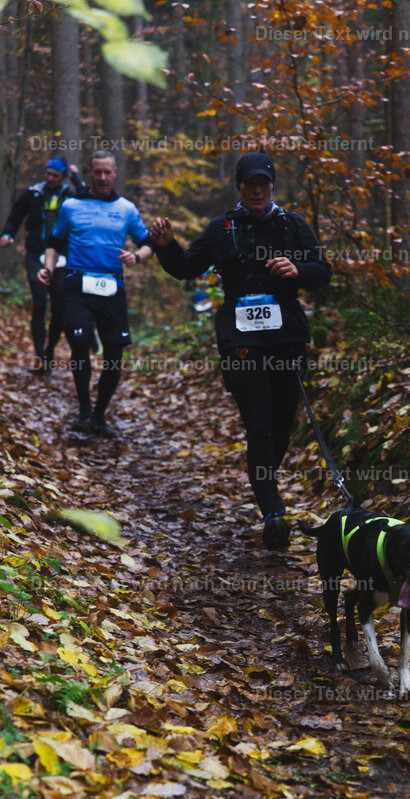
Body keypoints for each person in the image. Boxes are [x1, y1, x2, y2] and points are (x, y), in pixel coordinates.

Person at [149, 152, 331, 549]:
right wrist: (165, 246)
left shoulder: (292, 225)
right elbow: (186, 267)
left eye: (264, 183)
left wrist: (298, 270)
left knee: (281, 425)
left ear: (272, 186)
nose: (258, 190)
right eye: (251, 184)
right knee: (259, 424)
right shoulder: (222, 229)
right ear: (240, 186)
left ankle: (265, 481)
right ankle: (272, 512)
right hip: (241, 342)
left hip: (286, 340)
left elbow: (322, 272)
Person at [38, 151, 153, 437]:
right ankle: (84, 412)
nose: (102, 177)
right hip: (77, 285)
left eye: (107, 172)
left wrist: (136, 257)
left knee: (114, 353)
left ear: (115, 174)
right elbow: (54, 242)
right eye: (97, 172)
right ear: (88, 173)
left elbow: (149, 244)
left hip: (113, 286)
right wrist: (48, 268)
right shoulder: (71, 205)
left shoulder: (126, 208)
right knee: (80, 342)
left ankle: (100, 416)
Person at [0, 157, 87, 370]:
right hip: (35, 254)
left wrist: (76, 179)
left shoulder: (71, 195)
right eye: (47, 173)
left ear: (63, 175)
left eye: (54, 175)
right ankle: (40, 356)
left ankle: (50, 349)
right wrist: (8, 234)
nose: (49, 178)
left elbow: (88, 199)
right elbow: (15, 216)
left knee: (59, 309)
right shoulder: (33, 193)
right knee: (39, 304)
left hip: (62, 256)